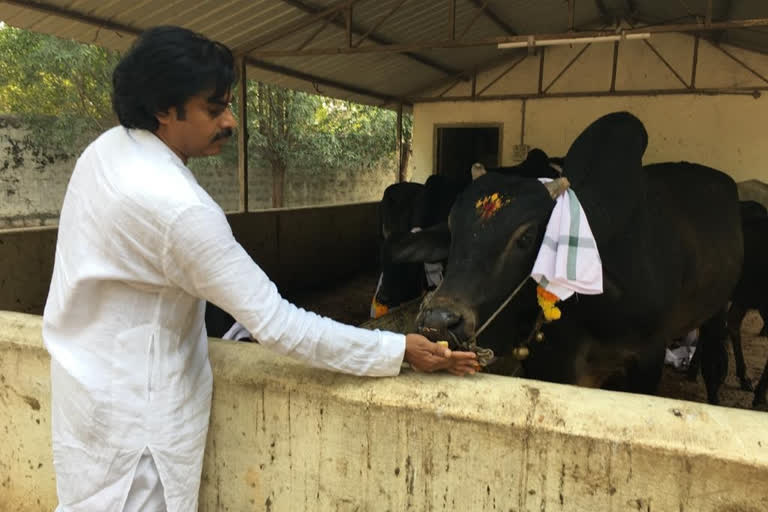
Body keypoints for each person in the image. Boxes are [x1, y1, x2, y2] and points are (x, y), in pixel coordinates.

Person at [42, 26, 479, 512]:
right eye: (214, 109)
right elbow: (278, 323)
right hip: (141, 428)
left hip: (85, 397)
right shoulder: (179, 208)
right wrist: (397, 348)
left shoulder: (106, 152)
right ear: (165, 109)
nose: (230, 121)